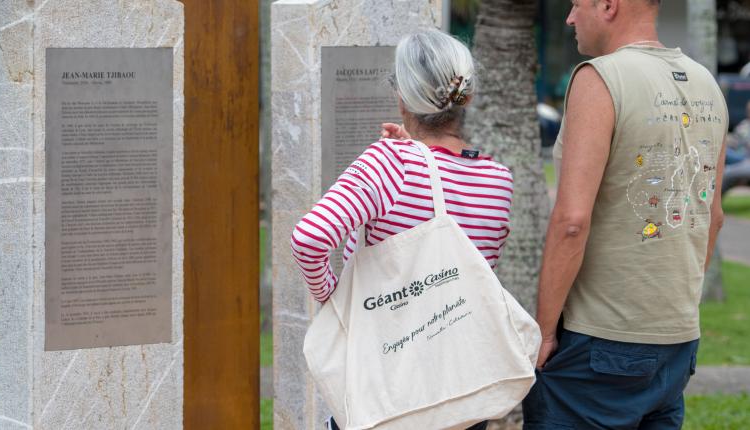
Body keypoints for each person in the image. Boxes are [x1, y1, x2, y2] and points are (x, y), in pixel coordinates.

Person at [290, 29, 514, 430]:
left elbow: (309, 239)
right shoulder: (497, 179)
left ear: (402, 97)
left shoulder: (390, 163)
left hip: (389, 386)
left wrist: (335, 300)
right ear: (469, 97)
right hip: (459, 391)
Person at [525, 1, 728, 428]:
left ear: (608, 5)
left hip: (600, 341)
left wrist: (542, 333)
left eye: (577, 4)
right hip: (677, 339)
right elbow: (713, 217)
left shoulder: (599, 78)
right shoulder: (706, 83)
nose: (569, 17)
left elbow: (571, 221)